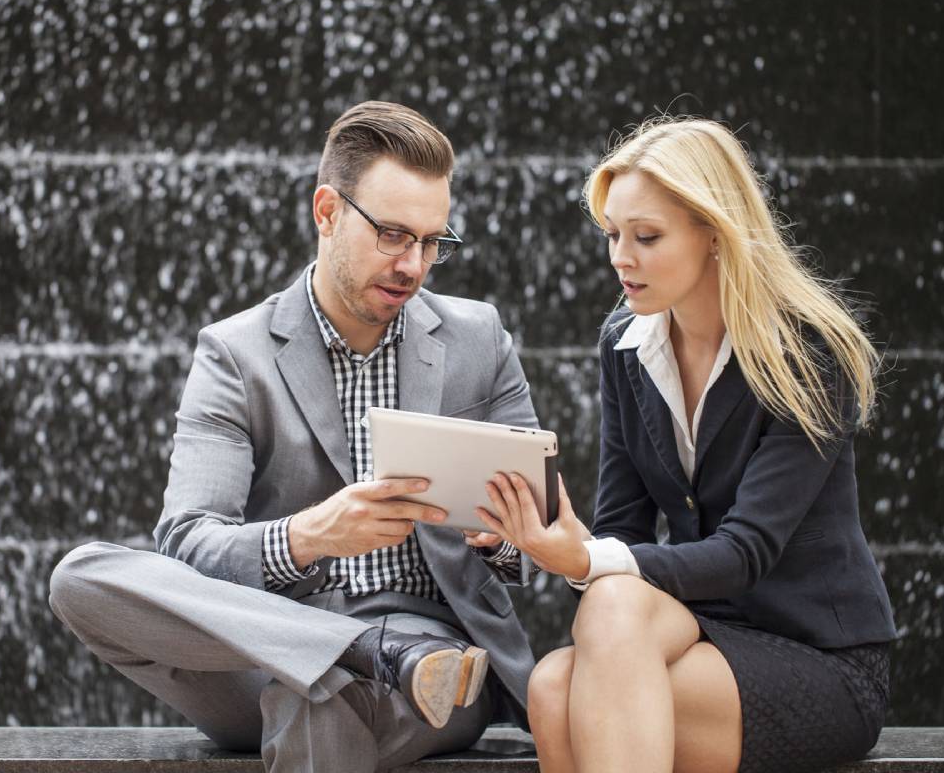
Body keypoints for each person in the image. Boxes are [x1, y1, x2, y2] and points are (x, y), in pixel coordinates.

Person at [47, 101, 540, 773]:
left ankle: (371, 658)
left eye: (433, 242)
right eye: (393, 235)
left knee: (317, 701)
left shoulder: (478, 340)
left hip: (431, 660)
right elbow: (189, 541)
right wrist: (307, 538)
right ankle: (358, 650)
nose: (414, 264)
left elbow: (540, 534)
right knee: (82, 576)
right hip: (253, 649)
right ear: (327, 212)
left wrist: (507, 536)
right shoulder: (234, 354)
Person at [475, 117, 896, 773]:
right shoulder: (626, 342)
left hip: (818, 653)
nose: (621, 256)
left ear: (715, 235)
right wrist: (562, 542)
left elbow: (745, 553)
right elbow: (622, 532)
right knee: (551, 682)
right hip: (688, 626)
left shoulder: (806, 352)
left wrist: (586, 561)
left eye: (646, 237)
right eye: (613, 234)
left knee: (566, 684)